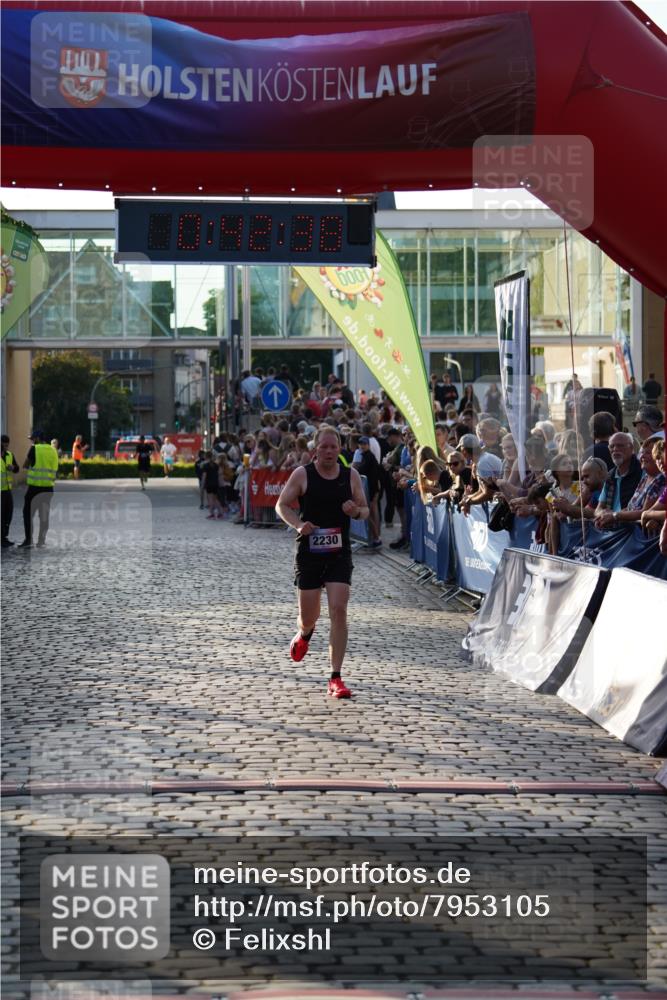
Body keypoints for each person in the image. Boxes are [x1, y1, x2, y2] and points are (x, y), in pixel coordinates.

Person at [275, 426, 369, 699]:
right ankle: (305, 633)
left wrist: (356, 511)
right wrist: (298, 524)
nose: (329, 451)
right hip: (309, 553)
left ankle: (335, 677)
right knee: (309, 616)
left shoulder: (350, 476)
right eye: (324, 446)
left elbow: (365, 509)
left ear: (340, 448)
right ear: (315, 449)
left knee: (339, 610)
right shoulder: (302, 474)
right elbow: (282, 505)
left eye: (333, 446)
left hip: (339, 553)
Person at [20, 430, 58, 548]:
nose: (31, 441)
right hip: (48, 489)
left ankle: (28, 540)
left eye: (32, 439)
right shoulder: (53, 450)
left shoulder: (34, 448)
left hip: (34, 489)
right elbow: (55, 468)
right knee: (44, 516)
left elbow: (25, 465)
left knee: (27, 513)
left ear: (37, 438)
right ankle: (41, 541)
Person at [594, 432, 642, 521]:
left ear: (631, 448)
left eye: (620, 446)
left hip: (633, 526)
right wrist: (602, 513)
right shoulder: (610, 475)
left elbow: (644, 507)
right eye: (612, 446)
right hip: (612, 526)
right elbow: (598, 509)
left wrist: (614, 515)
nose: (615, 449)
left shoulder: (641, 471)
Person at [1, 434, 19, 547]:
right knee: (1, 514)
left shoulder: (10, 455)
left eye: (7, 445)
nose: (6, 447)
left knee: (8, 513)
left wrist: (13, 468)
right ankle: (1, 538)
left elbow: (17, 469)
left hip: (7, 490)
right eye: (4, 445)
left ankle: (4, 536)